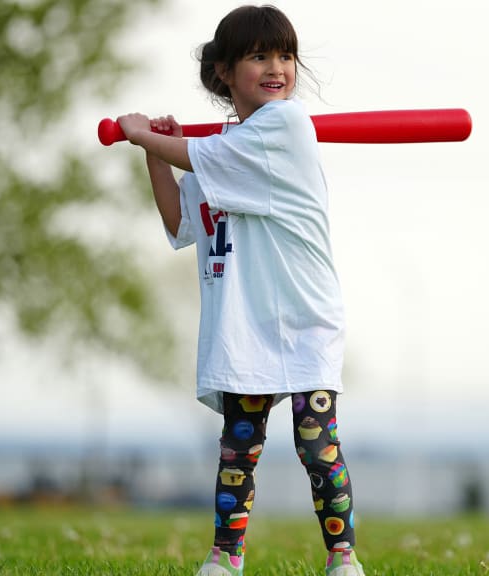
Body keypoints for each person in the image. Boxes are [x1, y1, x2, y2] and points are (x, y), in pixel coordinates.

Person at [116, 6, 363, 576]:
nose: (276, 68)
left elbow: (199, 157)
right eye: (259, 56)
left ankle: (343, 557)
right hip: (243, 323)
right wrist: (155, 151)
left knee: (316, 444)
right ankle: (226, 556)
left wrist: (143, 134)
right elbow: (180, 221)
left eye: (285, 56)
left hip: (303, 317)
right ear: (225, 71)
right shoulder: (221, 152)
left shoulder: (286, 125)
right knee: (239, 448)